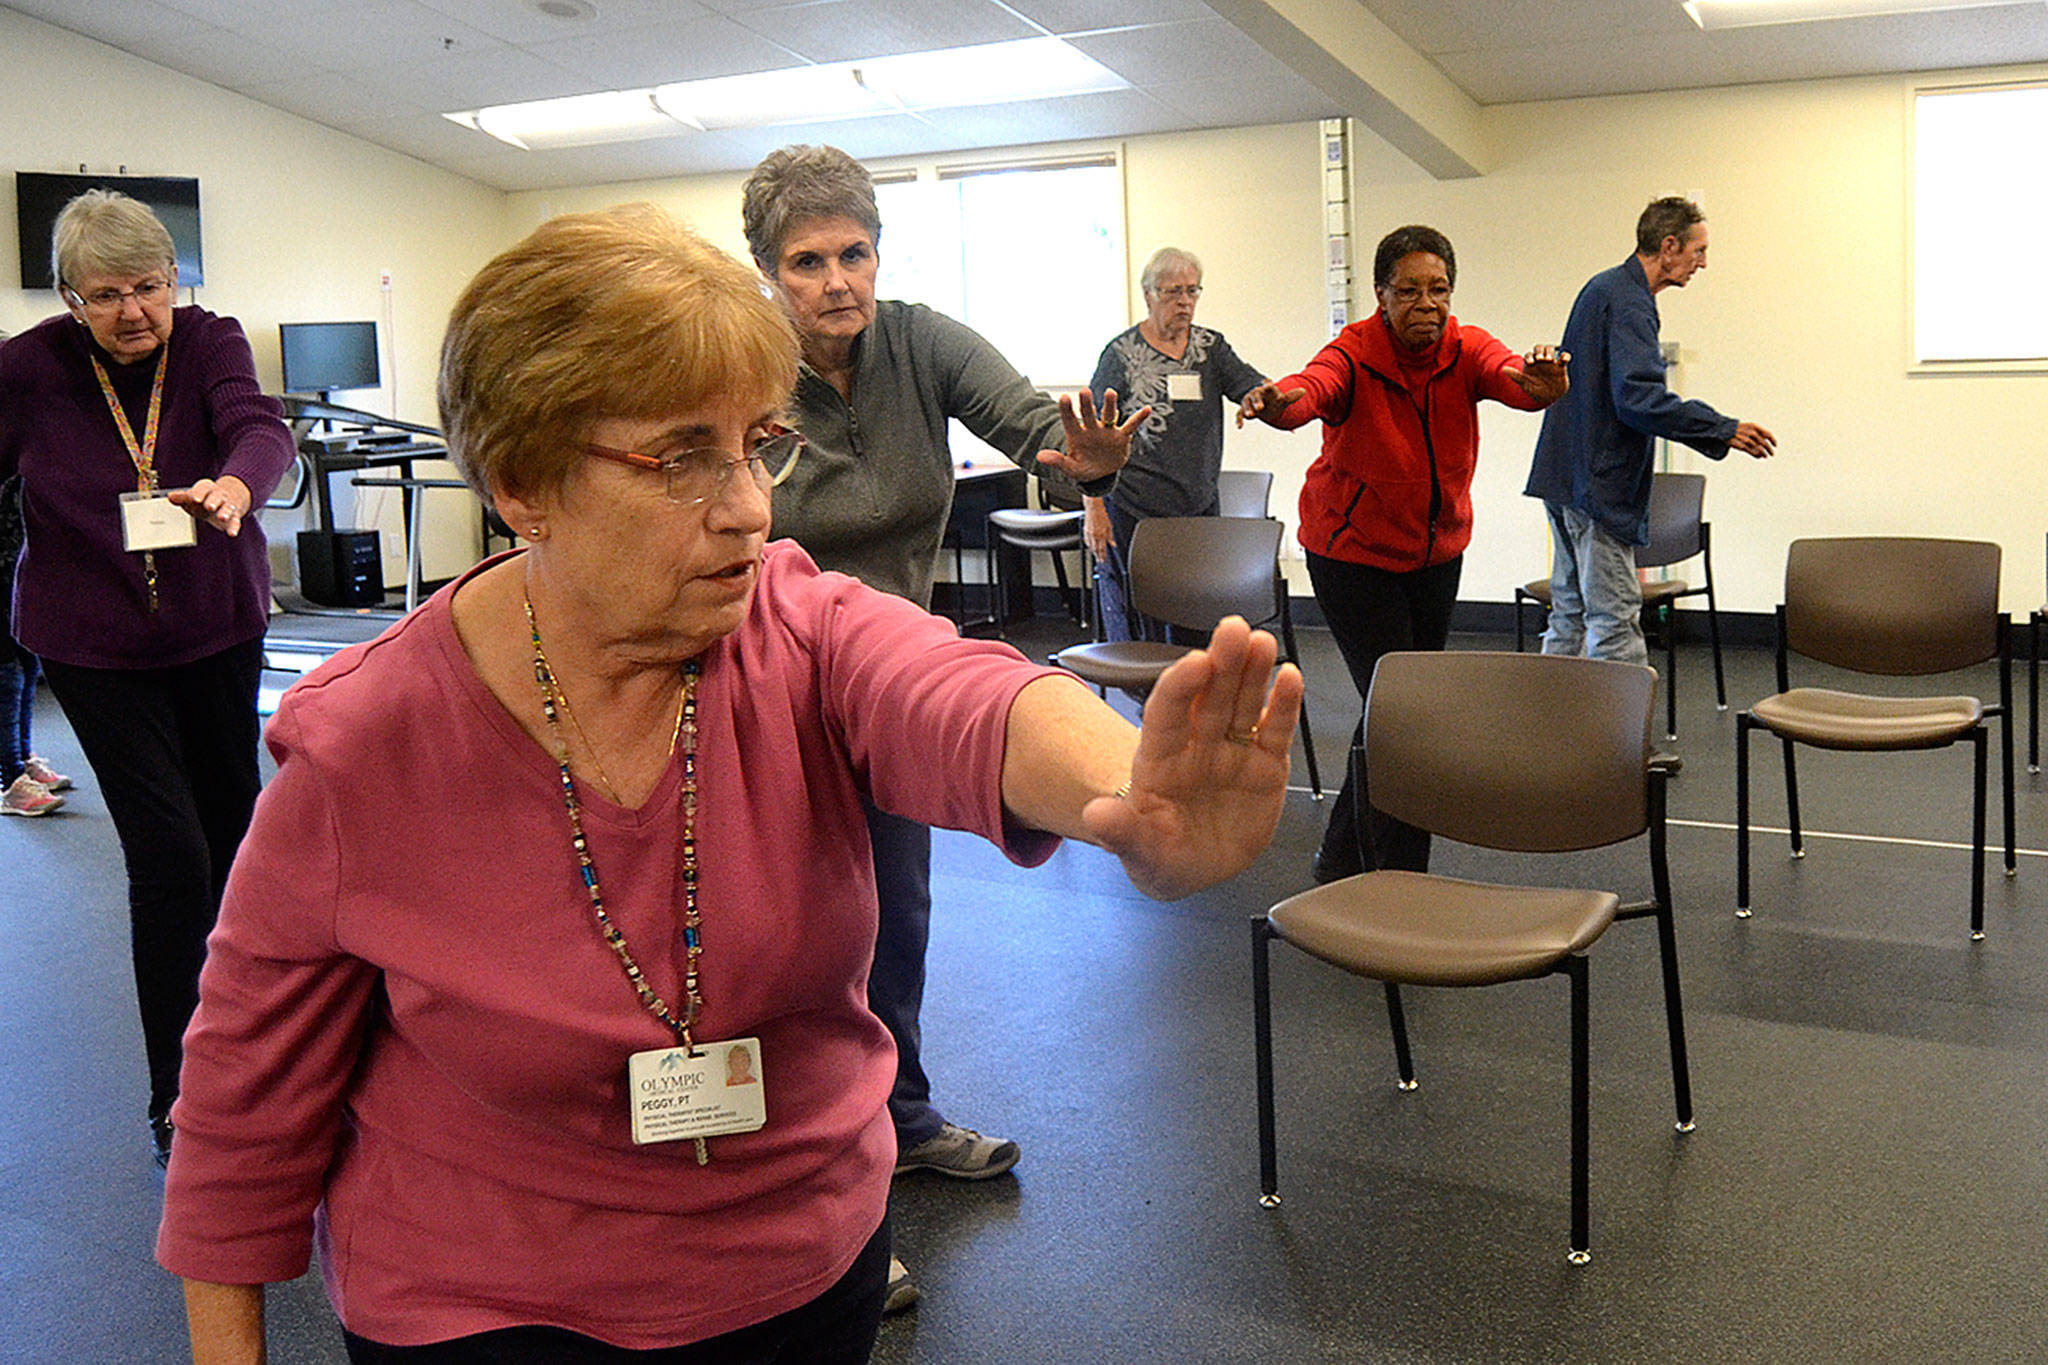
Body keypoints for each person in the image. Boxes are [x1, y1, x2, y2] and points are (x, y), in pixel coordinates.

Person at [156, 204, 1300, 1364]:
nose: (750, 505)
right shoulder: (367, 739)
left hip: (798, 1273)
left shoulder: (792, 623)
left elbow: (955, 690)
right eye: (680, 458)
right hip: (484, 1304)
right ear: (521, 484)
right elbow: (243, 1101)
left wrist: (1126, 795)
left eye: (757, 444)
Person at [740, 144, 1149, 1308]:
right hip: (757, 681)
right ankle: (823, 1211)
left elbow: (1036, 426)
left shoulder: (918, 343)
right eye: (805, 260)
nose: (835, 280)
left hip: (882, 681)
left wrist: (1087, 461)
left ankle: (900, 1115)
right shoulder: (744, 363)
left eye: (852, 253)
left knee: (893, 915)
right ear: (768, 272)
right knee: (793, 944)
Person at [0, 191, 293, 1160]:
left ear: (179, 281)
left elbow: (257, 427)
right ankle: (178, 1095)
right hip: (94, 647)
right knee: (168, 855)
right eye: (108, 294)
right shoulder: (28, 368)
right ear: (67, 297)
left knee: (235, 839)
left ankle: (252, 1054)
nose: (134, 312)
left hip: (215, 627)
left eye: (151, 288)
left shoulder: (209, 342)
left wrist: (238, 484)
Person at [1240, 224, 1568, 885]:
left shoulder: (1464, 349)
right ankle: (1368, 866)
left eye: (1439, 289)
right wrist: (1277, 403)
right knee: (1403, 708)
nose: (1427, 303)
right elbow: (1312, 389)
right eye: (1410, 290)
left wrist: (1543, 380)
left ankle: (1366, 861)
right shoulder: (1354, 353)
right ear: (1382, 294)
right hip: (1351, 556)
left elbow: (1516, 380)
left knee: (1404, 709)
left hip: (1434, 557)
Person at [1524, 196, 1775, 667]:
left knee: (1571, 614)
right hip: (1595, 485)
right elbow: (1638, 400)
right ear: (1669, 245)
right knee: (1614, 619)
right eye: (1698, 251)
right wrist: (1723, 429)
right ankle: (1618, 738)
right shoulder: (1628, 301)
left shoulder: (1606, 289)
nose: (1703, 263)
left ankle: (1554, 730)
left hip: (1566, 478)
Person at [1085, 247, 1268, 642]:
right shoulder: (1121, 355)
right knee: (1140, 623)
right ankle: (1147, 701)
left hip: (1196, 506)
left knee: (1198, 616)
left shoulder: (1210, 349)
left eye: (1192, 291)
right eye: (1173, 292)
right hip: (1134, 507)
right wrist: (1093, 508)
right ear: (1149, 294)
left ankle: (1195, 698)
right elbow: (1093, 435)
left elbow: (1249, 384)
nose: (1184, 301)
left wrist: (1258, 396)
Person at [1, 472, 73, 816]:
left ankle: (22, 757)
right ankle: (8, 779)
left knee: (28, 659)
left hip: (19, 554)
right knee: (6, 669)